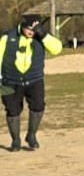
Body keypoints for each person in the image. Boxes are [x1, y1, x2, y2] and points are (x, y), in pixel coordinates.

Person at [1, 16, 63, 152]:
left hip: (35, 79)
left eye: (34, 29)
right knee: (12, 110)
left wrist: (43, 33)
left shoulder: (42, 37)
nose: (31, 32)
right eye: (29, 28)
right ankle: (15, 140)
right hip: (9, 80)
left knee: (38, 107)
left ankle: (31, 135)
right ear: (22, 25)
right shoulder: (7, 36)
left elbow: (57, 49)